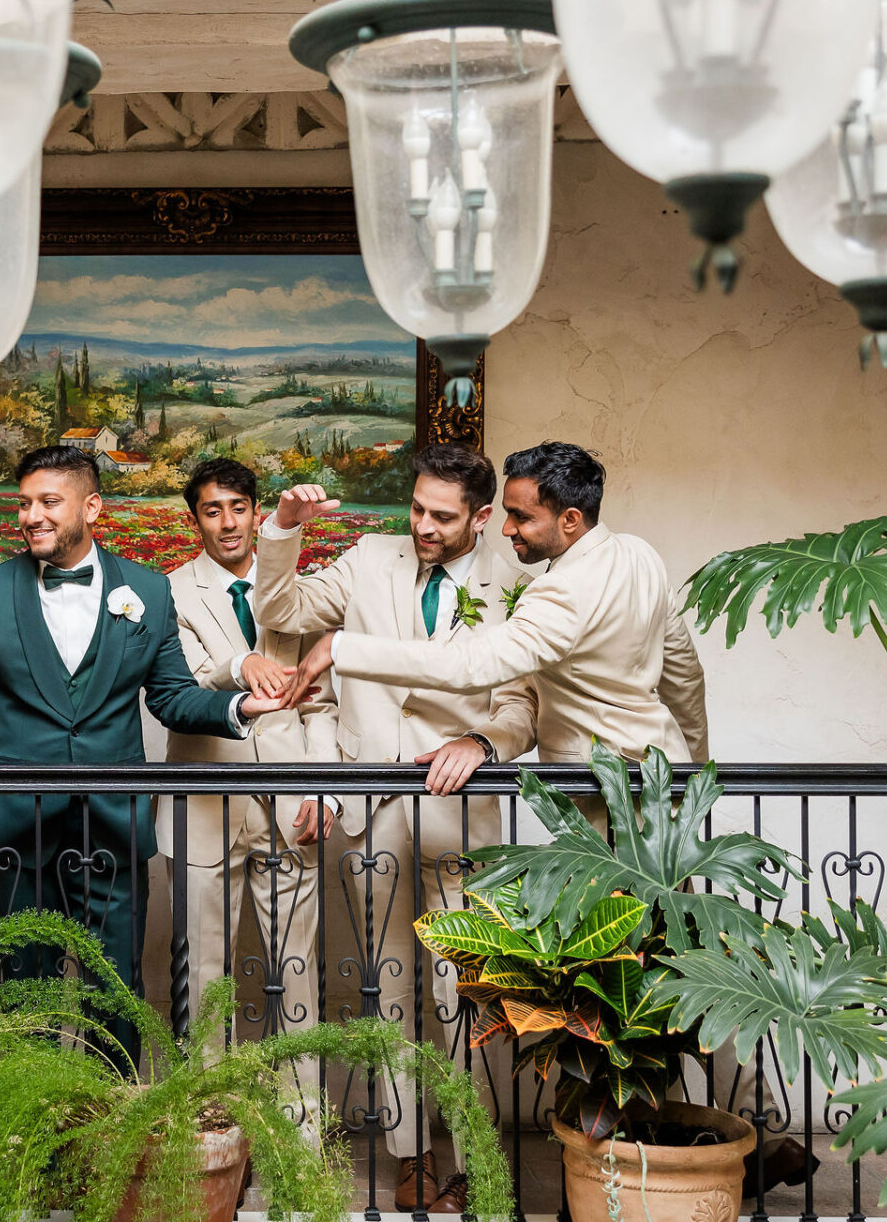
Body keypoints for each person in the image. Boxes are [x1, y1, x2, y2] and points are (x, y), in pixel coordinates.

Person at [0, 445, 304, 1060]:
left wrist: (236, 708)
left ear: (92, 507)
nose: (32, 515)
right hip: (20, 828)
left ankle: (112, 1117)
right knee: (21, 992)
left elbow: (173, 697)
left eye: (49, 501)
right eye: (25, 503)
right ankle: (30, 1119)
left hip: (114, 824)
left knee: (116, 995)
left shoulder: (147, 590)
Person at [250, 442, 537, 1211]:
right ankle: (410, 1154)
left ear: (482, 517)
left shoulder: (517, 583)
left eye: (442, 516)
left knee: (463, 989)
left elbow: (522, 705)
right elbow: (281, 611)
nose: (423, 527)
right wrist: (283, 527)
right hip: (369, 806)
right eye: (416, 509)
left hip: (457, 812)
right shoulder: (370, 558)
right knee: (389, 986)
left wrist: (482, 742)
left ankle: (473, 1156)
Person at [285, 441, 707, 766]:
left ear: (570, 519)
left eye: (522, 517)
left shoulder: (559, 590)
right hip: (665, 772)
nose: (506, 529)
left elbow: (472, 664)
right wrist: (695, 775)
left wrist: (342, 647)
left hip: (607, 788)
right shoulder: (640, 554)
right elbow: (684, 677)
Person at [160, 458, 339, 1127]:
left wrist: (323, 792)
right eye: (213, 510)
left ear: (257, 512)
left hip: (291, 808)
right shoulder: (168, 593)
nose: (228, 522)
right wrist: (243, 664)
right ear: (195, 519)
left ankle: (302, 1127)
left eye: (239, 507)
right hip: (206, 806)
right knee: (204, 973)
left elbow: (323, 706)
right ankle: (209, 1125)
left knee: (295, 968)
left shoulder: (298, 591)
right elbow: (182, 682)